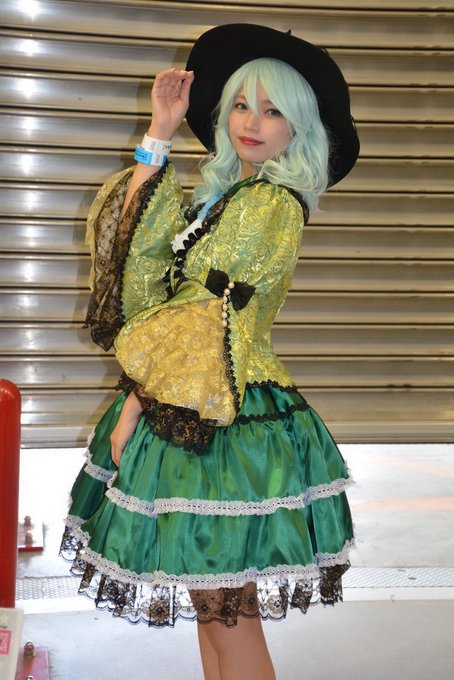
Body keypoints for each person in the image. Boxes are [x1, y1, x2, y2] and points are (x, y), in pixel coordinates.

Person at [60, 23, 359, 680]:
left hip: (226, 418)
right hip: (190, 404)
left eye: (274, 110)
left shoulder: (272, 204)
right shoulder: (223, 199)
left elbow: (205, 317)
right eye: (242, 104)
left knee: (227, 611)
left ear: (299, 128)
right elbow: (140, 272)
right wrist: (159, 132)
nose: (252, 122)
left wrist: (137, 401)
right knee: (210, 605)